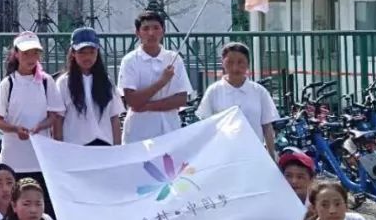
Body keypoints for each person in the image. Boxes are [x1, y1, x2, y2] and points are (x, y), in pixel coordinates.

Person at [0, 32, 65, 216]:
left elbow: (54, 115)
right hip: (14, 160)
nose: (31, 58)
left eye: (35, 53)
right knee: (15, 209)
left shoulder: (47, 82)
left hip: (40, 159)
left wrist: (40, 127)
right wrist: (16, 129)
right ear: (16, 54)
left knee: (43, 209)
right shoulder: (8, 84)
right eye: (26, 53)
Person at [118, 10, 193, 143]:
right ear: (137, 33)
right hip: (139, 131)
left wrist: (148, 106)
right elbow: (132, 101)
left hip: (169, 129)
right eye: (146, 29)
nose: (151, 33)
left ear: (163, 31)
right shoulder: (130, 61)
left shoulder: (174, 58)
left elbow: (181, 99)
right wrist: (162, 82)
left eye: (156, 28)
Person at [196, 42, 278, 156]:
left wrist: (271, 156)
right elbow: (206, 127)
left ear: (248, 64)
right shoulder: (214, 91)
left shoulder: (259, 92)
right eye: (230, 62)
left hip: (253, 155)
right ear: (223, 63)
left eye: (240, 62)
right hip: (223, 155)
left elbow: (267, 127)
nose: (235, 68)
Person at [58, 28, 124, 146]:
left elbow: (114, 118)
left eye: (92, 52)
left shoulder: (106, 81)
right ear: (73, 53)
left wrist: (117, 149)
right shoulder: (63, 83)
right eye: (82, 52)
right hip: (75, 147)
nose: (87, 57)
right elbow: (58, 119)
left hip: (104, 145)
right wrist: (59, 148)